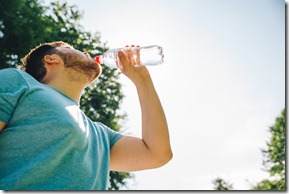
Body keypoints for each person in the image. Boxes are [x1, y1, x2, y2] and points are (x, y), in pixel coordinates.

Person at [0, 41, 173, 190]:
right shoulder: (19, 81)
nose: (86, 52)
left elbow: (157, 153)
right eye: (71, 48)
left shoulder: (102, 135)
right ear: (51, 58)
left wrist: (142, 80)